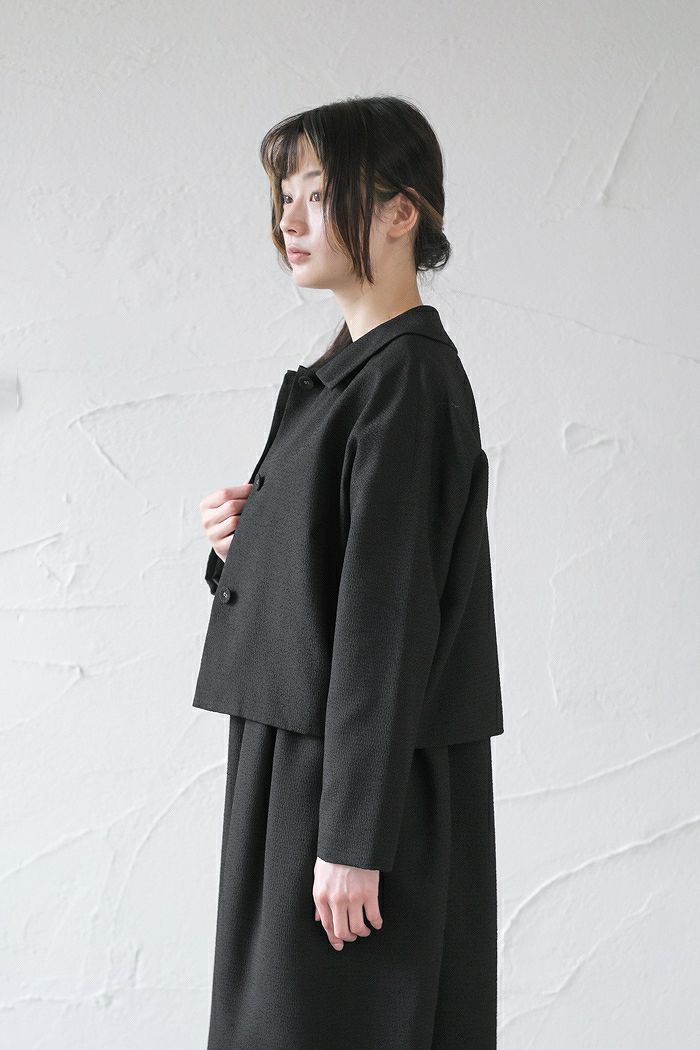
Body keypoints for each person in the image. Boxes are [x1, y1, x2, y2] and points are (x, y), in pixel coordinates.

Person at [194, 95, 505, 1049]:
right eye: (284, 194)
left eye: (319, 194)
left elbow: (388, 620)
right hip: (310, 768)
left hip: (350, 786)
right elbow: (342, 583)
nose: (289, 219)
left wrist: (353, 841)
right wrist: (243, 546)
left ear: (402, 211)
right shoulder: (355, 373)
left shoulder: (404, 380)